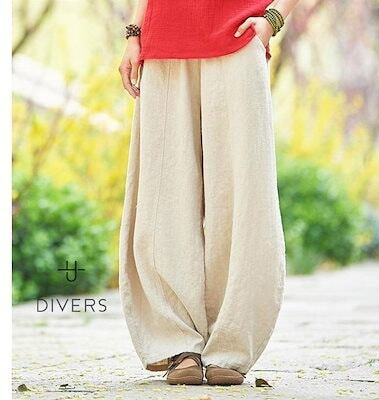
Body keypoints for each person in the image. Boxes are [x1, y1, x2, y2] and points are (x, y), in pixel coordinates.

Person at [119, 0, 300, 386]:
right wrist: (134, 34)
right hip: (164, 38)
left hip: (239, 35)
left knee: (243, 196)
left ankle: (231, 343)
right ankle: (177, 341)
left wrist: (274, 18)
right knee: (163, 195)